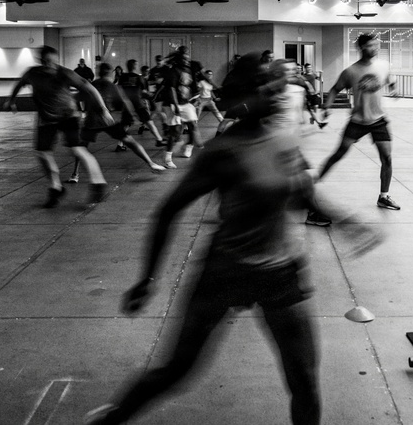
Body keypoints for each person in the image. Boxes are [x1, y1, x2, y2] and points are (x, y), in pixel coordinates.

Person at [82, 52, 381, 425]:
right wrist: (148, 279)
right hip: (226, 273)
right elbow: (168, 211)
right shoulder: (223, 150)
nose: (275, 91)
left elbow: (304, 192)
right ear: (245, 96)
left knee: (304, 380)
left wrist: (348, 220)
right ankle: (112, 419)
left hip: (282, 275)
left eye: (275, 84)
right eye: (265, 86)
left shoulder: (282, 137)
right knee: (177, 370)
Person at [8, 45, 112, 207]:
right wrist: (11, 100)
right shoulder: (32, 73)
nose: (51, 65)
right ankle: (56, 187)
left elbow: (89, 87)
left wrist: (103, 109)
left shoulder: (64, 73)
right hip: (47, 119)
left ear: (57, 61)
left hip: (68, 116)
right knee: (43, 153)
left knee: (77, 149)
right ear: (41, 61)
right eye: (47, 62)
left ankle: (98, 183)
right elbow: (20, 84)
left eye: (53, 62)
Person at [316, 34, 399, 211]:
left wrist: (393, 88)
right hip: (358, 121)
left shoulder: (384, 65)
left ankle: (383, 196)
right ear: (361, 48)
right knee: (339, 153)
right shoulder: (350, 72)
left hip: (378, 120)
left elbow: (390, 79)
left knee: (387, 158)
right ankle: (314, 184)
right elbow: (334, 90)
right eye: (370, 45)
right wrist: (327, 107)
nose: (375, 48)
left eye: (376, 45)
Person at [69, 64, 166, 181]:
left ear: (99, 73)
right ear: (110, 73)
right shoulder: (112, 86)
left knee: (82, 147)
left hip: (92, 121)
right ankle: (151, 163)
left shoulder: (92, 85)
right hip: (107, 120)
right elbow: (123, 103)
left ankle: (75, 174)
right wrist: (131, 116)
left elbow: (78, 98)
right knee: (130, 142)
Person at [161, 47, 203, 168]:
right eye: (184, 58)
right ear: (179, 59)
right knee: (175, 132)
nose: (186, 60)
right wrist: (175, 105)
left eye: (187, 57)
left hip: (186, 103)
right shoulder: (174, 71)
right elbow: (172, 89)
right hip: (173, 104)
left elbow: (191, 86)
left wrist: (197, 97)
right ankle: (167, 157)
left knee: (193, 125)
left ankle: (190, 147)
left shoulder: (188, 70)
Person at [118, 59, 165, 144]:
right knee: (149, 122)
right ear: (135, 66)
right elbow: (144, 92)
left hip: (127, 104)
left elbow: (119, 90)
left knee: (126, 124)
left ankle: (120, 144)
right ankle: (159, 140)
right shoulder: (139, 78)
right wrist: (152, 96)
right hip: (138, 104)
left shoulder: (122, 77)